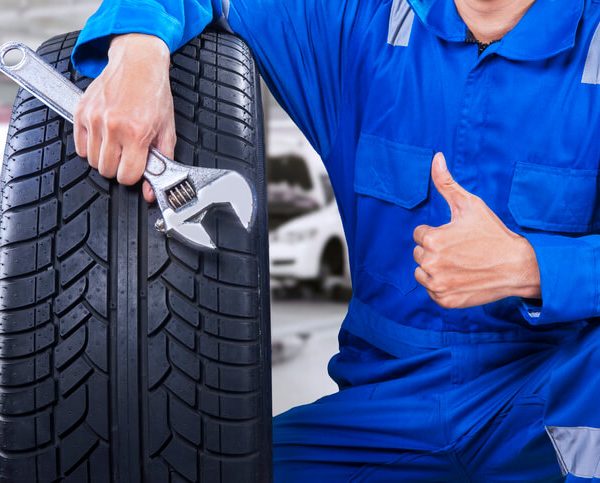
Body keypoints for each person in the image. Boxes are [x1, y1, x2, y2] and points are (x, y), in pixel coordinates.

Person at [72, 0, 600, 480]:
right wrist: (138, 48)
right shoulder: (358, 25)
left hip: (557, 398)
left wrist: (533, 267)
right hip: (382, 411)